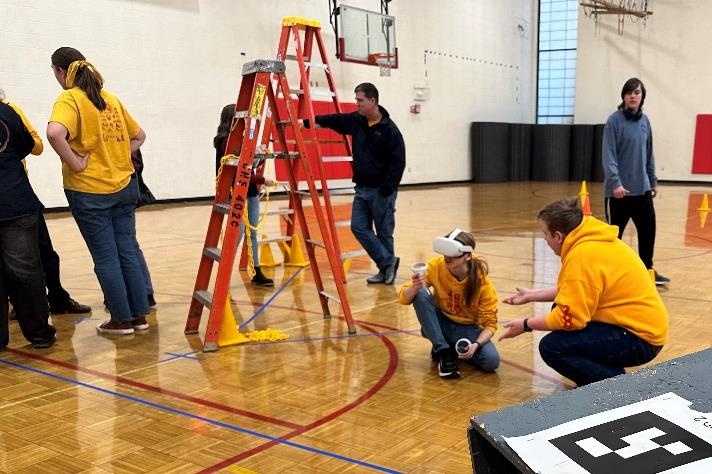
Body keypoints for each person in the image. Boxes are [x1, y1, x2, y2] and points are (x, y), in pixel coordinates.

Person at [499, 197, 669, 387]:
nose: (545, 239)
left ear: (558, 236)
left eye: (545, 234)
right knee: (561, 312)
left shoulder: (581, 256)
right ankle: (601, 374)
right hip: (641, 328)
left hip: (640, 339)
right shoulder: (591, 240)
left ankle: (618, 387)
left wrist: (525, 324)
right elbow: (576, 290)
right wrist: (531, 295)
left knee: (552, 347)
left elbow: (567, 319)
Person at [46, 46, 150, 335]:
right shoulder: (110, 98)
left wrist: (78, 164)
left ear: (61, 71)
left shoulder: (70, 98)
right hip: (124, 187)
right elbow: (139, 136)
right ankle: (139, 315)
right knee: (127, 251)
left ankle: (121, 319)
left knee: (106, 257)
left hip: (90, 191)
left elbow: (55, 133)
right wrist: (118, 156)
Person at [0, 88, 91, 316]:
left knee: (43, 253)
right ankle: (22, 307)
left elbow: (36, 145)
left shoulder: (10, 110)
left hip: (16, 198)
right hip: (14, 198)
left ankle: (56, 298)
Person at [309, 83, 406, 285]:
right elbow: (336, 120)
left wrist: (388, 188)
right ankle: (388, 262)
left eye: (360, 100)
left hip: (382, 191)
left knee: (384, 233)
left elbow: (398, 163)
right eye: (356, 99)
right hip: (361, 189)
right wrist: (310, 122)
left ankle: (385, 270)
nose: (357, 104)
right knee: (358, 227)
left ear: (372, 101)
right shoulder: (357, 121)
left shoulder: (390, 131)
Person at [398, 229, 500, 378]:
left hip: (466, 328)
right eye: (445, 253)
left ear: (467, 256)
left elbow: (490, 325)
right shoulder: (435, 266)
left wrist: (476, 345)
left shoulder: (482, 283)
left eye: (453, 254)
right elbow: (403, 298)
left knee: (491, 361)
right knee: (419, 293)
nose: (447, 258)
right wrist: (414, 287)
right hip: (440, 321)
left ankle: (446, 343)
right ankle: (443, 351)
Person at [0, 100, 57, 349]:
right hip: (15, 200)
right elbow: (27, 145)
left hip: (15, 204)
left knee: (25, 272)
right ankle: (39, 333)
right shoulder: (6, 112)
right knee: (26, 272)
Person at [603, 77, 669, 286]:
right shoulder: (614, 121)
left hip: (642, 190)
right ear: (623, 96)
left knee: (648, 232)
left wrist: (652, 180)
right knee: (613, 238)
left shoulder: (644, 121)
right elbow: (609, 154)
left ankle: (646, 270)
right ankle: (609, 274)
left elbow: (648, 153)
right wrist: (615, 183)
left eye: (637, 92)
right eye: (629, 92)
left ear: (642, 97)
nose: (633, 96)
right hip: (619, 193)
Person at [214, 103, 274, 286]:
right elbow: (240, 170)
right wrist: (262, 180)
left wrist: (258, 157)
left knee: (252, 232)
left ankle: (256, 271)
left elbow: (247, 166)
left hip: (249, 192)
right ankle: (223, 275)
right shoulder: (225, 142)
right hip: (235, 193)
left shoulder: (241, 141)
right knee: (237, 234)